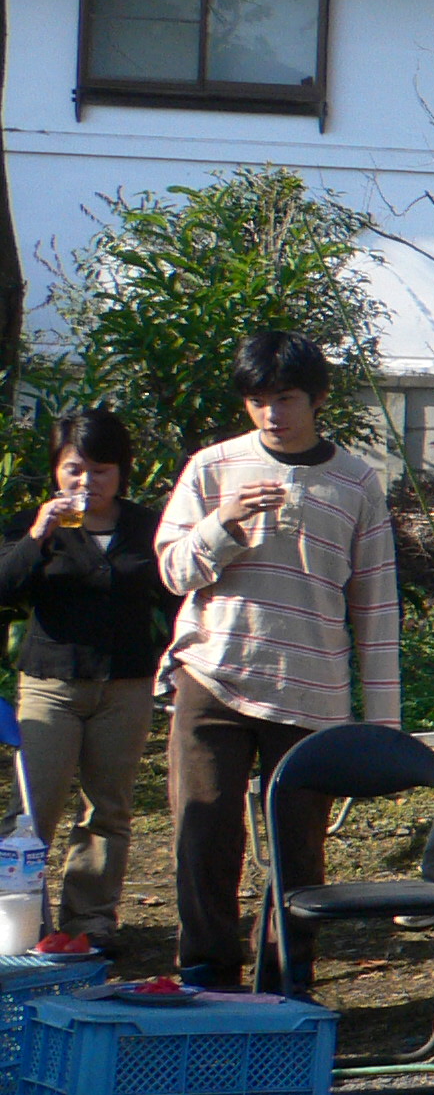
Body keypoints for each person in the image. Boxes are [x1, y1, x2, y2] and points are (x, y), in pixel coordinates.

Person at [155, 332, 399, 991]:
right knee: (203, 832)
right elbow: (174, 572)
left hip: (311, 692)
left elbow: (376, 607)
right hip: (215, 676)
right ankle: (205, 974)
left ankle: (284, 984)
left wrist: (380, 725)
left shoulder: (356, 481)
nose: (271, 414)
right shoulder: (213, 468)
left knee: (298, 853)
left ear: (316, 399)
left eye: (285, 399)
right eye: (258, 400)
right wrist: (223, 524)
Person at [0, 409, 173, 949]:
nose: (86, 482)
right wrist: (36, 536)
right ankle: (20, 919)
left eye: (100, 470)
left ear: (121, 473)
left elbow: (177, 598)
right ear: (55, 470)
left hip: (124, 685)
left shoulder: (147, 527)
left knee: (108, 808)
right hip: (51, 684)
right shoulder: (33, 526)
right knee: (32, 810)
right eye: (74, 469)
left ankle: (91, 921)